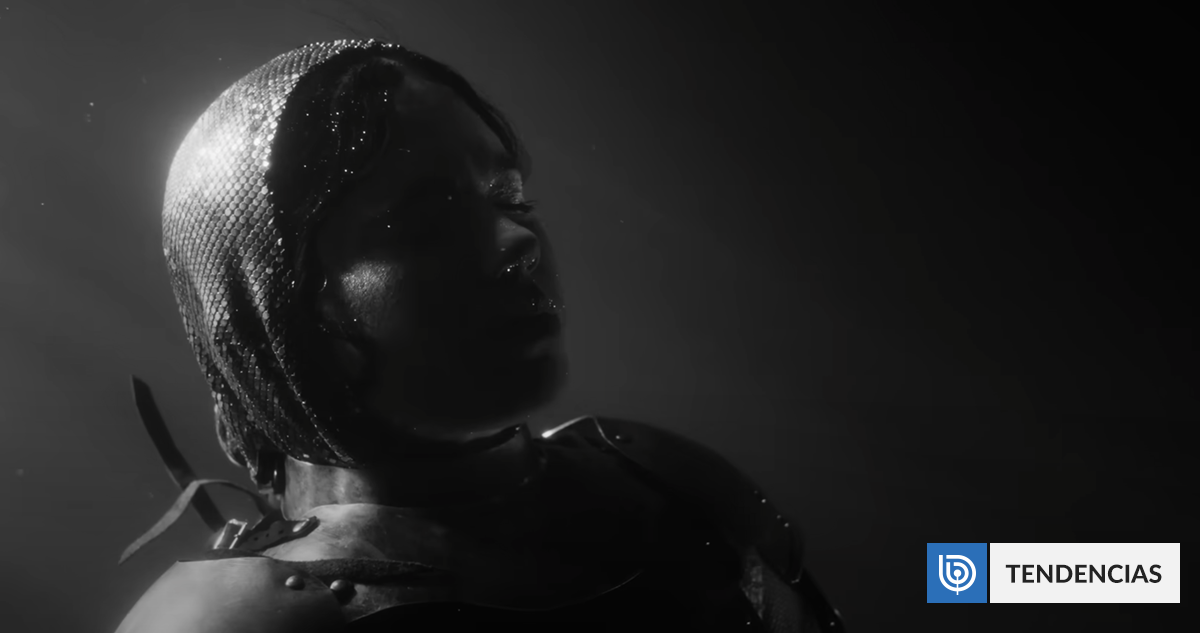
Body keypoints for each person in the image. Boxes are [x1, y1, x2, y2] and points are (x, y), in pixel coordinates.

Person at [113, 39, 845, 632]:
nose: (517, 242)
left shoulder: (666, 480)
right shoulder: (230, 622)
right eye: (423, 223)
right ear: (267, 309)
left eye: (511, 198)